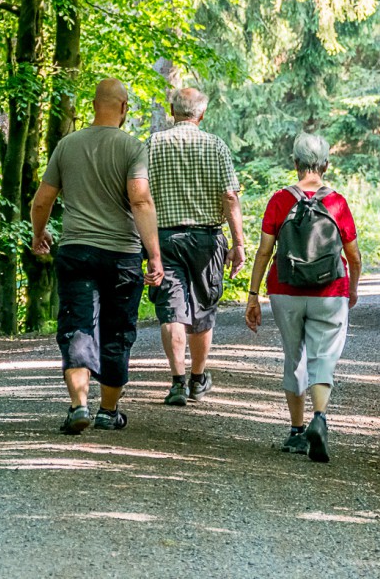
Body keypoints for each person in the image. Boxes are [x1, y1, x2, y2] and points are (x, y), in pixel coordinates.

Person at [31, 78, 164, 435]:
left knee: (77, 326)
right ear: (123, 108)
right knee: (117, 331)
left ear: (94, 105)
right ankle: (108, 410)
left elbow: (42, 200)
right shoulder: (133, 148)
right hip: (121, 253)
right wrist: (154, 254)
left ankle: (78, 406)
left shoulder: (67, 145)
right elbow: (140, 200)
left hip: (76, 250)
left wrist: (39, 233)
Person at [244, 133, 361, 463]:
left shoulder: (280, 200)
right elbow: (353, 255)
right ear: (326, 165)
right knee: (322, 356)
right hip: (329, 292)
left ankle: (296, 432)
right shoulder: (337, 202)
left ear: (294, 163)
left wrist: (253, 296)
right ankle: (319, 419)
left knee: (294, 355)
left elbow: (265, 251)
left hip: (286, 291)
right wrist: (352, 287)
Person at [146, 87, 246, 406]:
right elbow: (230, 196)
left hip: (164, 239)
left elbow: (138, 197)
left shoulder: (152, 144)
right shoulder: (216, 145)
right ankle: (198, 379)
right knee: (202, 309)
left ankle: (177, 382)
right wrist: (239, 243)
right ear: (201, 114)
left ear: (171, 111)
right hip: (206, 239)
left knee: (171, 311)